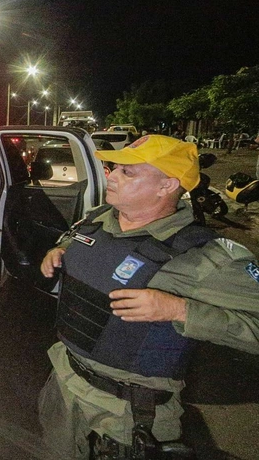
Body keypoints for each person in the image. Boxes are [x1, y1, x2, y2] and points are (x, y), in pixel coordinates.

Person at [38, 134, 259, 459]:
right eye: (114, 168)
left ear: (166, 185)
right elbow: (75, 242)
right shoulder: (100, 218)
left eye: (128, 172)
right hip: (62, 382)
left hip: (127, 413)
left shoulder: (206, 257)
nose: (111, 176)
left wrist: (181, 310)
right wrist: (58, 251)